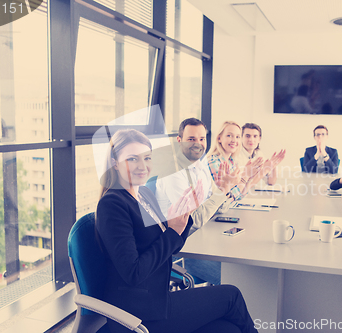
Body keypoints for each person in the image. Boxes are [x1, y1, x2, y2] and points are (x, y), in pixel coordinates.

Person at [95, 129, 258, 333]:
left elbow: (168, 247)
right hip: (138, 313)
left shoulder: (142, 195)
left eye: (147, 158)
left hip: (157, 299)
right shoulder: (112, 204)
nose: (142, 166)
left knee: (228, 328)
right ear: (114, 162)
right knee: (231, 296)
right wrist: (172, 232)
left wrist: (183, 219)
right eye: (132, 159)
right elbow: (134, 273)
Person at [155, 118, 240, 285]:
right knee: (240, 277)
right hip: (185, 251)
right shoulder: (173, 173)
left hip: (204, 240)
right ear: (179, 140)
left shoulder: (200, 167)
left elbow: (219, 209)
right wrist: (222, 190)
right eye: (191, 139)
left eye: (202, 139)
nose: (198, 144)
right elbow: (193, 222)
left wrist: (225, 187)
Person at [207, 121, 284, 199]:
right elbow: (228, 197)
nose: (251, 140)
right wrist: (251, 175)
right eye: (229, 135)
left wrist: (274, 165)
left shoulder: (232, 160)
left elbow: (239, 194)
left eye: (237, 137)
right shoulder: (218, 161)